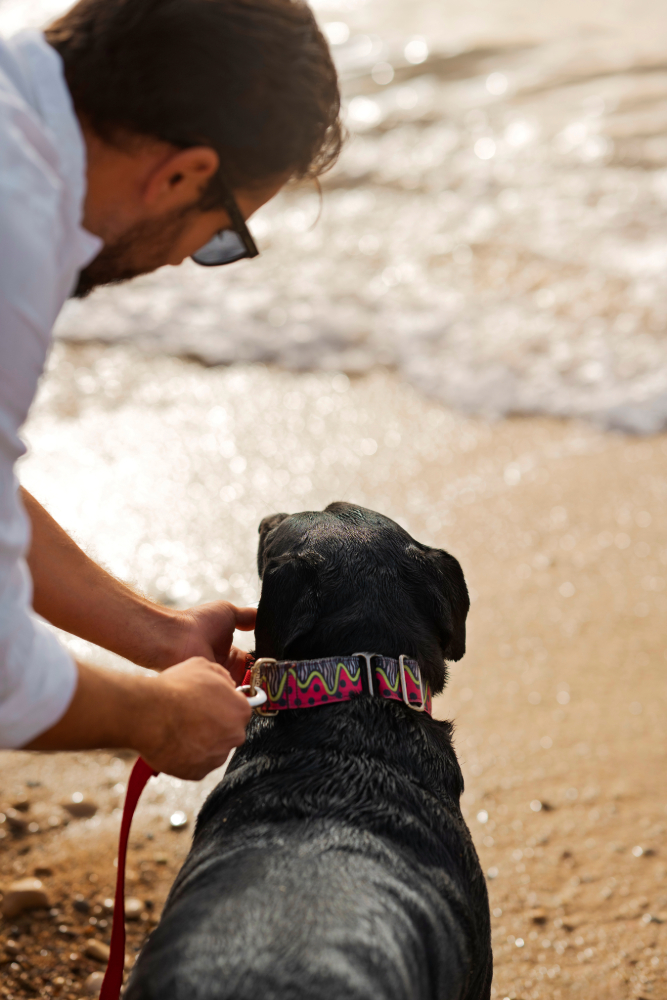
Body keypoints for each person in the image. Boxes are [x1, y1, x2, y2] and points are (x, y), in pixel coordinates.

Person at [0, 0, 342, 778]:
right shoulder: (14, 230)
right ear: (183, 174)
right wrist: (157, 716)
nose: (187, 258)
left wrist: (161, 637)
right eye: (220, 235)